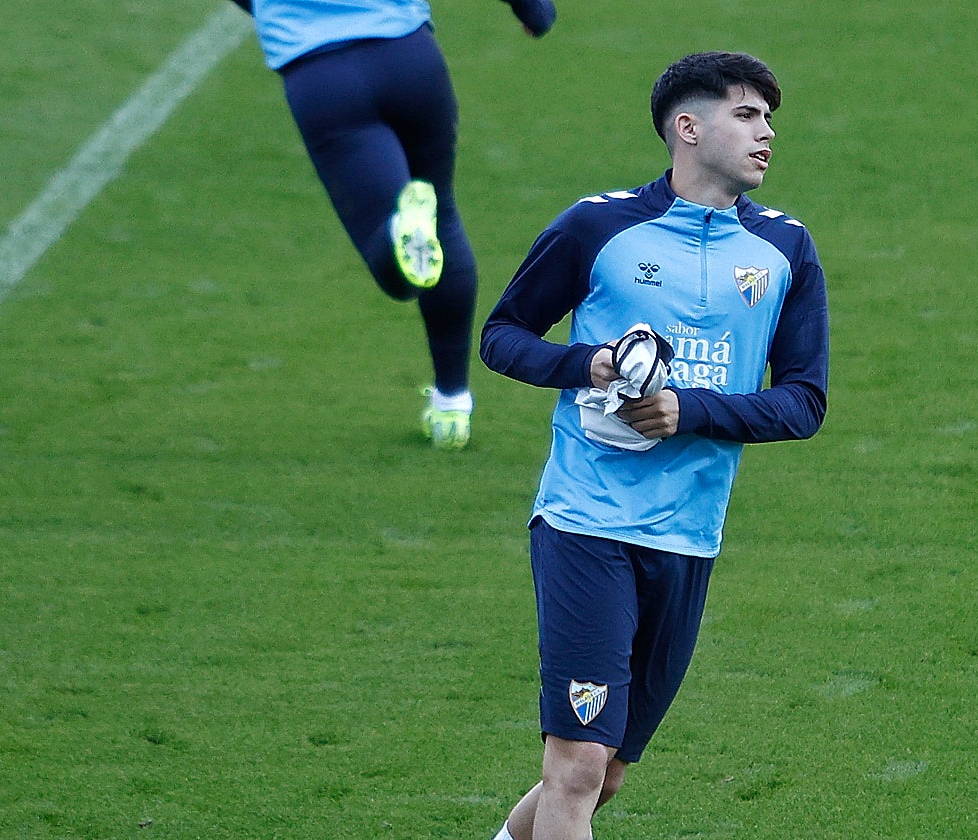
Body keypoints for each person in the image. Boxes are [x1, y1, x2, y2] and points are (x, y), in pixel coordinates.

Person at [479, 51, 829, 839]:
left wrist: (688, 410)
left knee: (604, 776)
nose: (767, 134)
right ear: (687, 126)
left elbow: (803, 402)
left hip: (687, 537)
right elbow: (501, 337)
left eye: (770, 119)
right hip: (585, 523)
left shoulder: (785, 252)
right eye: (747, 115)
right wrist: (588, 364)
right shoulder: (597, 227)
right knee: (572, 767)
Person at [227, 0, 557, 450]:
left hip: (321, 71)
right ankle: (452, 404)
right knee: (445, 219)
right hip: (410, 57)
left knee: (396, 261)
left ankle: (401, 229)